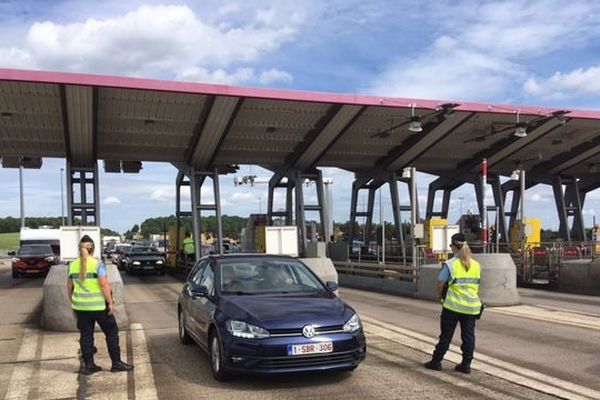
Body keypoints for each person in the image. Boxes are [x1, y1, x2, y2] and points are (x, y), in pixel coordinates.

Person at [67, 235, 134, 375]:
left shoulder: (72, 265)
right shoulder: (97, 264)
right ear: (93, 249)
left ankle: (89, 365)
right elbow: (104, 285)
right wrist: (110, 303)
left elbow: (69, 287)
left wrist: (73, 302)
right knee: (111, 332)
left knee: (86, 335)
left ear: (80, 249)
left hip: (81, 307)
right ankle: (116, 363)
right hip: (98, 307)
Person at [424, 233, 482, 374]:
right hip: (472, 307)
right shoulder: (476, 265)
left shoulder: (450, 265)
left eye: (451, 246)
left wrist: (440, 297)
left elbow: (440, 284)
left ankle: (436, 361)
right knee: (468, 337)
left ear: (454, 247)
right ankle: (466, 365)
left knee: (446, 336)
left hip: (453, 306)